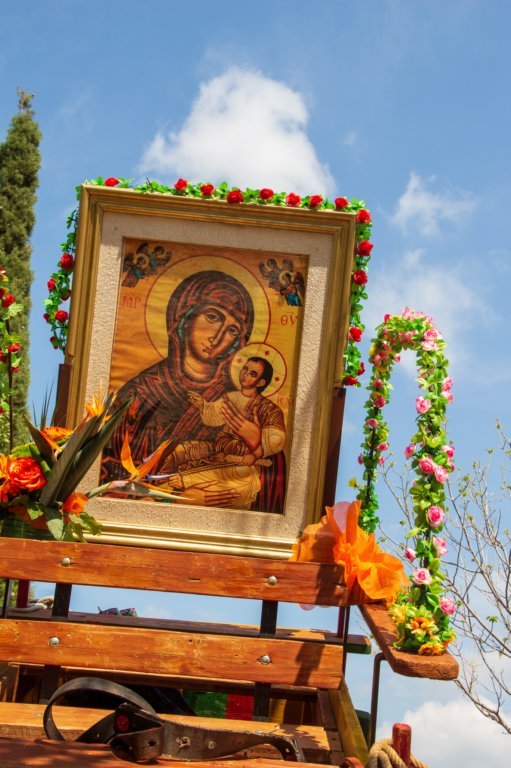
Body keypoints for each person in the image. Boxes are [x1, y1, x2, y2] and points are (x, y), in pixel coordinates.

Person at [102, 271, 286, 512]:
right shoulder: (138, 394)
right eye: (213, 317)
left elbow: (271, 482)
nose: (218, 336)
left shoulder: (238, 400)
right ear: (183, 316)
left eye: (232, 330)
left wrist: (255, 443)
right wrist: (184, 499)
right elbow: (106, 477)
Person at [154, 357, 286, 509]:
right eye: (245, 369)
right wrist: (203, 406)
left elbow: (276, 440)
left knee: (239, 473)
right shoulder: (230, 397)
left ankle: (184, 481)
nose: (245, 374)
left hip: (243, 459)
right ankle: (158, 486)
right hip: (219, 447)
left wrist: (253, 441)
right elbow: (213, 416)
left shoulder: (269, 409)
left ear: (261, 382)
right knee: (180, 451)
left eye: (252, 373)